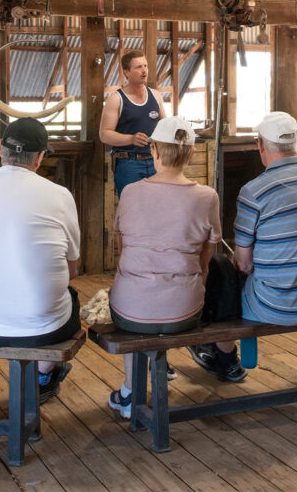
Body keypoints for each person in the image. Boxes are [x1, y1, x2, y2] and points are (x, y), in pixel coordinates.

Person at [189, 112, 297, 385]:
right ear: (295, 144)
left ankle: (224, 356)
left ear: (261, 144)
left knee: (221, 270)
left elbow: (244, 264)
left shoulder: (254, 191)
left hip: (276, 305)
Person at [0, 118, 81, 403]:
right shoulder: (60, 195)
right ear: (40, 157)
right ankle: (43, 375)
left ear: (0, 149)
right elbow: (72, 268)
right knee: (71, 299)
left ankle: (44, 375)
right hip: (43, 327)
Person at [106, 117, 220, 418]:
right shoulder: (208, 197)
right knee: (172, 292)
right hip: (184, 310)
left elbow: (123, 252)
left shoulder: (130, 192)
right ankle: (147, 377)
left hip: (131, 309)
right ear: (192, 154)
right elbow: (206, 259)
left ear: (154, 151)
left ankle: (130, 391)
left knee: (134, 299)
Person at [99, 50, 168, 197]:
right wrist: (131, 139)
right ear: (127, 72)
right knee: (132, 209)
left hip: (155, 162)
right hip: (129, 163)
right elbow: (104, 135)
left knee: (157, 207)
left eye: (145, 66)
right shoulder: (116, 99)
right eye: (138, 67)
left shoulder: (156, 96)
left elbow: (165, 127)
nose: (144, 71)